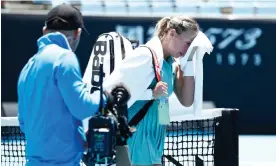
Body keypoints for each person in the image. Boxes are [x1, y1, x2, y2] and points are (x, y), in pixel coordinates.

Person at [17, 3, 109, 166]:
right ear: (77, 33)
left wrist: (78, 138)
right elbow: (83, 108)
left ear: (44, 31)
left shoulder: (28, 67)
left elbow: (24, 124)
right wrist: (104, 96)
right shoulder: (65, 58)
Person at [103, 16, 199, 166]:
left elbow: (187, 101)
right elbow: (112, 92)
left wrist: (190, 62)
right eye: (188, 43)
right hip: (137, 133)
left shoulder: (172, 64)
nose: (188, 49)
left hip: (156, 136)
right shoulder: (145, 55)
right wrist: (151, 93)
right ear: (172, 33)